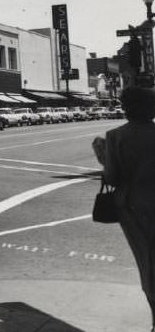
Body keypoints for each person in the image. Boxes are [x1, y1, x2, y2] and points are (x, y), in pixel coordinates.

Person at [93, 86, 155, 331]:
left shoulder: (115, 137)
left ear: (127, 107)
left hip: (133, 206)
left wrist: (102, 155)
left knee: (147, 262)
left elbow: (113, 177)